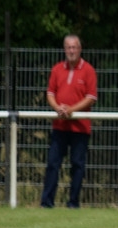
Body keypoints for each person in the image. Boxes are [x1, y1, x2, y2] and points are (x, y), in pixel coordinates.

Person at [40, 34, 98, 209]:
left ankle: (73, 203)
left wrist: (71, 110)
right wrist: (57, 108)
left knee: (77, 165)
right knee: (53, 163)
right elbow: (50, 93)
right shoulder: (57, 69)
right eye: (68, 47)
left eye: (74, 47)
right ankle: (47, 202)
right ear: (64, 49)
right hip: (60, 126)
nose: (71, 51)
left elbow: (91, 97)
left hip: (80, 127)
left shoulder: (88, 70)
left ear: (80, 49)